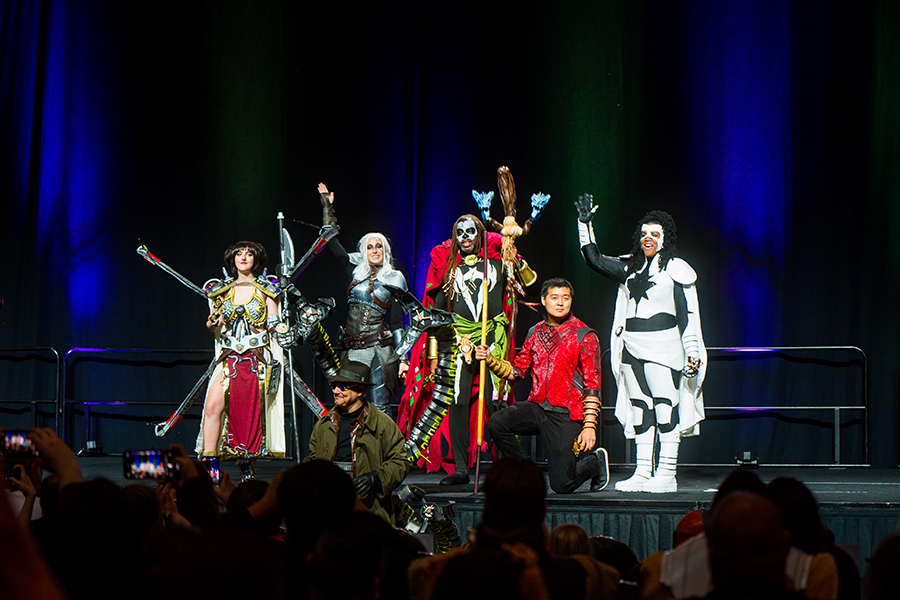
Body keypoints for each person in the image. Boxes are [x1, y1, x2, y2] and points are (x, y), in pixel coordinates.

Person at [575, 196, 706, 493]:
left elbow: (688, 315)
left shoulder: (676, 269)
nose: (648, 238)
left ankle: (667, 472)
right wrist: (585, 224)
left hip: (664, 346)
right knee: (639, 409)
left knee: (664, 407)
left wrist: (693, 350)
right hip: (630, 346)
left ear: (665, 239)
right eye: (644, 233)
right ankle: (643, 470)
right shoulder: (630, 267)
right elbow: (594, 259)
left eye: (655, 234)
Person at [400, 215, 512, 485]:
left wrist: (508, 240)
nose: (465, 237)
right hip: (460, 341)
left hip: (492, 340)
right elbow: (437, 314)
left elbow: (529, 281)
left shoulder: (498, 265)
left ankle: (505, 467)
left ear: (480, 235)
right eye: (459, 232)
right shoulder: (448, 270)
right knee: (459, 401)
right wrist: (435, 353)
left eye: (471, 231)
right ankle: (461, 468)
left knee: (495, 401)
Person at [476, 278, 610, 493]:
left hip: (566, 413)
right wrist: (490, 359)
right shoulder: (535, 332)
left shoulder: (584, 335)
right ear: (543, 300)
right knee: (498, 422)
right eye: (554, 298)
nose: (560, 303)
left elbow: (592, 384)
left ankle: (595, 463)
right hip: (538, 407)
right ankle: (526, 472)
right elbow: (517, 371)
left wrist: (589, 425)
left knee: (562, 485)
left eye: (565, 298)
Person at [196, 241, 285, 478]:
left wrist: (284, 332)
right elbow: (212, 321)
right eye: (239, 254)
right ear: (232, 259)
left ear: (256, 260)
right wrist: (211, 324)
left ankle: (246, 462)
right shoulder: (222, 291)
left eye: (248, 254)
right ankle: (210, 468)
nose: (243, 258)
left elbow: (275, 324)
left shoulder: (268, 290)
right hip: (228, 358)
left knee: (247, 415)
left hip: (255, 359)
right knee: (212, 407)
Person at [318, 183, 409, 416]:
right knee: (346, 404)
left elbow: (398, 323)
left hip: (380, 350)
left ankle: (383, 452)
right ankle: (354, 451)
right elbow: (331, 242)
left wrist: (403, 359)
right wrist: (327, 206)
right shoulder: (355, 272)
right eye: (370, 247)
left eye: (379, 246)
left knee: (380, 406)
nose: (375, 250)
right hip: (353, 349)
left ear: (385, 251)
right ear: (364, 251)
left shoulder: (394, 278)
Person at [306, 360, 410, 524]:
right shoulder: (324, 424)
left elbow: (400, 461)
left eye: (343, 386)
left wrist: (375, 478)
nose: (335, 390)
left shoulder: (381, 423)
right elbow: (312, 461)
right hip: (328, 507)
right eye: (334, 385)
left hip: (367, 506)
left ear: (361, 390)